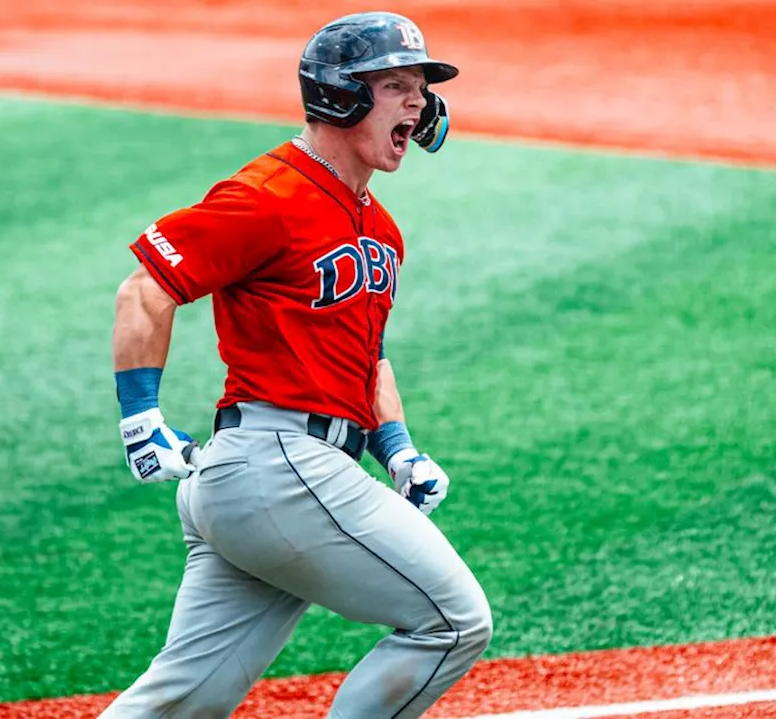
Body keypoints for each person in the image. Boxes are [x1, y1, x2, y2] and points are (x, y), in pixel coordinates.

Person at [100, 11, 492, 719]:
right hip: (277, 467)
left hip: (273, 480)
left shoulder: (380, 227)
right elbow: (147, 286)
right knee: (455, 621)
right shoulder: (268, 196)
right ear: (340, 97)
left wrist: (398, 451)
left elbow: (364, 356)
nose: (420, 104)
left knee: (180, 702)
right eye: (398, 86)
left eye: (421, 90)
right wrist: (142, 418)